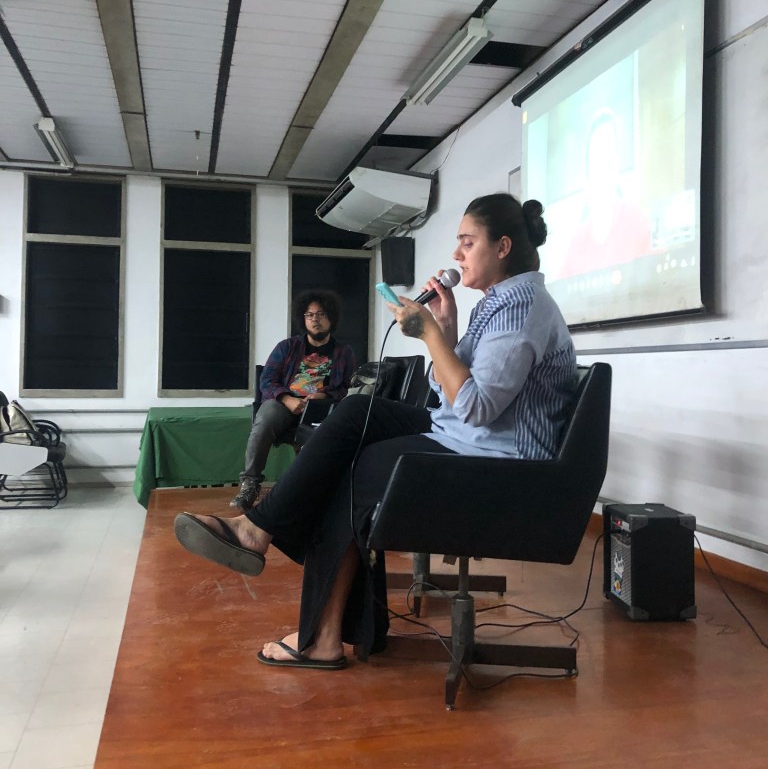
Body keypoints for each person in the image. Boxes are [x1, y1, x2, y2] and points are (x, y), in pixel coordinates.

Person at [174, 193, 577, 670]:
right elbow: (451, 392)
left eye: (468, 243)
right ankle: (259, 532)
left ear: (503, 247)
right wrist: (446, 330)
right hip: (465, 436)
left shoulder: (520, 308)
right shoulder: (500, 302)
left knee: (356, 473)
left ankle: (315, 625)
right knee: (356, 412)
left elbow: (474, 407)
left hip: (499, 464)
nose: (457, 254)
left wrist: (431, 335)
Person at [229, 289, 356, 511]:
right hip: (284, 403)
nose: (315, 320)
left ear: (331, 318)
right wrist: (286, 398)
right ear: (303, 318)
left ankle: (315, 491)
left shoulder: (344, 352)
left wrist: (325, 395)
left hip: (322, 407)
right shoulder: (287, 347)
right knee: (265, 419)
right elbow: (267, 380)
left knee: (338, 430)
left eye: (321, 314)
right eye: (310, 315)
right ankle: (250, 484)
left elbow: (349, 387)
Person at [558, 109, 653, 279]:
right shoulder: (577, 242)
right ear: (586, 173)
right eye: (597, 161)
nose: (603, 171)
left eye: (609, 161)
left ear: (617, 165)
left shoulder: (637, 221)